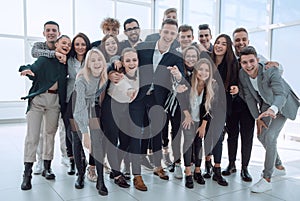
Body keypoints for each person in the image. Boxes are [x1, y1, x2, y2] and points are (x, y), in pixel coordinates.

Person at [238, 46, 300, 193]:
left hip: (282, 104)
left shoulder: (270, 71)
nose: (249, 66)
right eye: (244, 62)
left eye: (251, 61)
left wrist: (273, 109)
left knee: (271, 137)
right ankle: (278, 165)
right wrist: (257, 118)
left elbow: (280, 94)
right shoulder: (242, 74)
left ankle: (267, 179)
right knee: (261, 135)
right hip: (267, 102)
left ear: (257, 60)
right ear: (240, 63)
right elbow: (248, 96)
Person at [132, 18, 184, 180]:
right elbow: (128, 62)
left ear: (175, 36)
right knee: (136, 130)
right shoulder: (142, 48)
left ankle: (158, 165)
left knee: (156, 132)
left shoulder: (176, 57)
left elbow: (181, 80)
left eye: (172, 33)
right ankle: (134, 166)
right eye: (166, 32)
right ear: (160, 32)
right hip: (138, 96)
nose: (168, 36)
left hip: (158, 99)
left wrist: (177, 75)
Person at [20, 35, 71, 190]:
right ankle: (27, 173)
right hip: (39, 99)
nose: (66, 46)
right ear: (56, 45)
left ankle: (47, 167)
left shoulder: (66, 64)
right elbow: (30, 67)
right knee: (33, 136)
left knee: (50, 134)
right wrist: (26, 71)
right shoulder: (44, 59)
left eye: (69, 44)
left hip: (54, 102)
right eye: (63, 43)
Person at [102, 47, 147, 191]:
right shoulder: (117, 72)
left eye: (134, 60)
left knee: (126, 140)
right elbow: (122, 84)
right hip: (111, 106)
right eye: (127, 60)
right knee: (113, 140)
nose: (131, 63)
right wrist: (129, 90)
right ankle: (116, 174)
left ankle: (116, 166)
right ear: (122, 62)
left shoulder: (141, 73)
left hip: (126, 108)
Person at [31, 21, 70, 175]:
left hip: (59, 95)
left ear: (59, 33)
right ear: (44, 33)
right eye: (48, 30)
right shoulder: (39, 46)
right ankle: (40, 161)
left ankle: (65, 156)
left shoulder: (65, 47)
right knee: (41, 131)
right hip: (41, 95)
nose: (51, 33)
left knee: (60, 129)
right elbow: (35, 53)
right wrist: (55, 54)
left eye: (54, 30)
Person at [72, 48, 111, 195]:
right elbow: (79, 108)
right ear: (87, 64)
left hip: (92, 108)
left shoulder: (104, 76)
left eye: (99, 59)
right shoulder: (81, 79)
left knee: (97, 142)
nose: (96, 63)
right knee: (78, 140)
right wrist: (84, 133)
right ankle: (80, 174)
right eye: (92, 60)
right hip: (76, 107)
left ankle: (100, 180)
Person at [206, 34, 240, 186]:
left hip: (222, 105)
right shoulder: (207, 60)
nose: (219, 46)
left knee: (218, 136)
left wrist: (235, 88)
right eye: (217, 42)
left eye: (223, 44)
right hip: (204, 103)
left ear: (228, 48)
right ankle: (207, 164)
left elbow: (236, 83)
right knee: (206, 134)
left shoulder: (232, 64)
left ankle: (217, 170)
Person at [181, 57, 216, 188]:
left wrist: (203, 126)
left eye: (206, 70)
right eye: (200, 69)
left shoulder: (211, 87)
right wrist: (187, 115)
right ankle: (188, 173)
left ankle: (197, 170)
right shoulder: (188, 82)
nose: (203, 72)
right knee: (188, 143)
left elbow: (209, 108)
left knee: (198, 143)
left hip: (200, 121)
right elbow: (181, 100)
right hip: (187, 118)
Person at [63, 32, 92, 185]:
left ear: (87, 45)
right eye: (77, 44)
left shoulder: (91, 59)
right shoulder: (69, 59)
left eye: (83, 44)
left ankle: (82, 172)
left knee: (79, 134)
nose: (80, 47)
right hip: (71, 99)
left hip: (86, 100)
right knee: (72, 134)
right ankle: (81, 166)